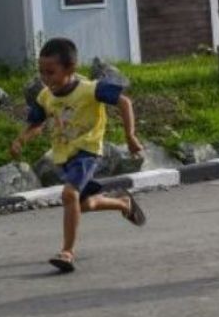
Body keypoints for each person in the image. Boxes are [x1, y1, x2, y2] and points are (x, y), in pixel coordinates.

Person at [8, 37, 145, 273]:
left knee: (69, 195)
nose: (45, 78)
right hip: (64, 156)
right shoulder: (45, 96)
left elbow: (124, 102)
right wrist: (21, 139)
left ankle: (67, 252)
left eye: (50, 72)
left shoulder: (91, 89)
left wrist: (130, 136)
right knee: (84, 203)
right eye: (41, 72)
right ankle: (123, 203)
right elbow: (36, 123)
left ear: (70, 68)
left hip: (87, 151)